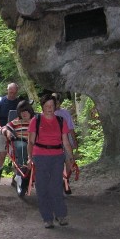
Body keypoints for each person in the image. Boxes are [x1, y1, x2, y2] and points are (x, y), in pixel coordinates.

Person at [28, 93, 75, 229]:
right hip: (40, 155)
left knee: (56, 186)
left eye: (52, 106)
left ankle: (61, 215)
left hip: (57, 156)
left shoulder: (61, 121)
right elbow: (30, 142)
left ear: (55, 106)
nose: (49, 108)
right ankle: (47, 218)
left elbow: (66, 142)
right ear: (42, 106)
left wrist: (70, 158)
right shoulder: (35, 120)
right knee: (42, 187)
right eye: (47, 106)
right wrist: (29, 158)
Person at [53, 93, 79, 192]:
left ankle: (66, 180)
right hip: (53, 140)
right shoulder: (47, 114)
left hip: (66, 138)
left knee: (69, 161)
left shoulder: (65, 113)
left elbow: (71, 128)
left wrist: (74, 140)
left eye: (57, 102)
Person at [2, 99, 35, 167]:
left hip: (33, 141)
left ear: (30, 111)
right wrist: (7, 131)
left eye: (26, 111)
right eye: (22, 111)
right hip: (20, 140)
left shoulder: (36, 120)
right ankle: (22, 167)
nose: (24, 113)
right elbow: (4, 127)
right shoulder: (16, 121)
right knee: (22, 146)